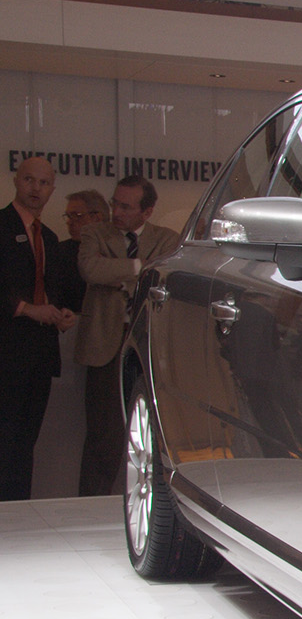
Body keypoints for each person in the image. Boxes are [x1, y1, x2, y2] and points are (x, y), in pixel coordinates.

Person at [75, 176, 178, 496]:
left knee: (149, 431)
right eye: (114, 203)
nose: (116, 212)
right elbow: (91, 269)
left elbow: (163, 278)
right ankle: (92, 503)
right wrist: (137, 267)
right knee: (102, 436)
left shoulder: (167, 239)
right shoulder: (94, 233)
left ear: (147, 212)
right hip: (105, 343)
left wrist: (117, 272)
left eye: (125, 207)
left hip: (148, 345)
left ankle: (146, 499)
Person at [0, 157, 81, 501]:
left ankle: (19, 512)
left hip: (40, 355)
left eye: (44, 183)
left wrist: (62, 315)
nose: (36, 189)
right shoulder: (2, 225)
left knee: (25, 441)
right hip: (7, 352)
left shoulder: (48, 237)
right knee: (5, 440)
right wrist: (26, 309)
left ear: (52, 189)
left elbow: (52, 291)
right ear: (16, 181)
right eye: (29, 180)